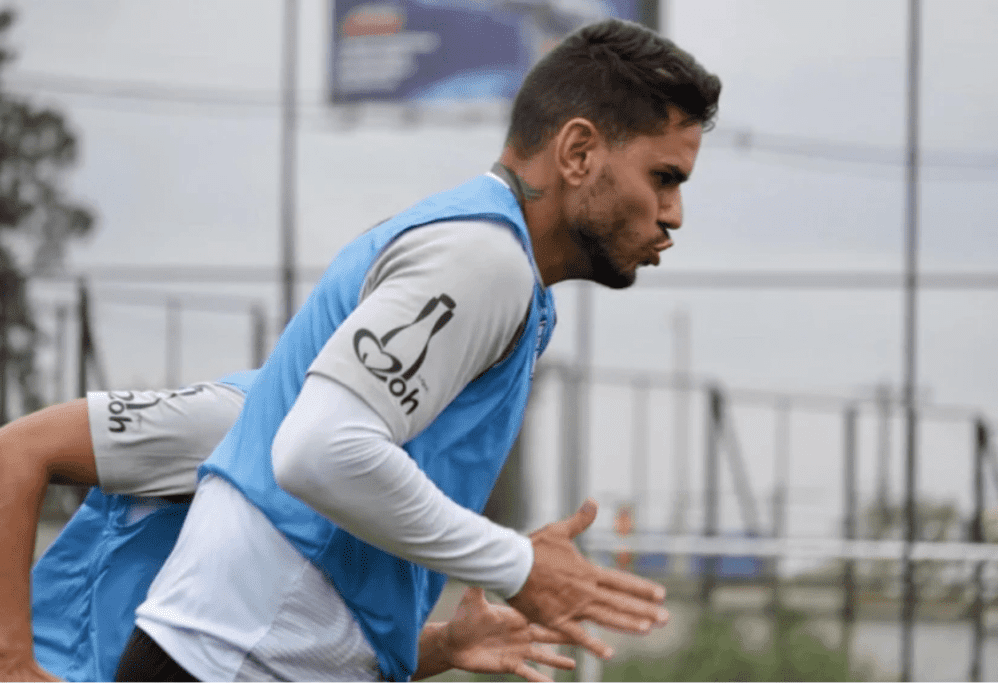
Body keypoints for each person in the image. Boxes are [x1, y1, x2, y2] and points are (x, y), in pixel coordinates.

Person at [132, 17, 719, 681]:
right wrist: (517, 564)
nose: (673, 214)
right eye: (664, 177)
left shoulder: (495, 262)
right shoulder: (482, 259)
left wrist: (425, 648)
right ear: (578, 152)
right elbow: (319, 452)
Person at [0, 374, 576, 682]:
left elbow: (286, 653)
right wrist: (9, 664)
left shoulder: (391, 479)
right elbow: (15, 451)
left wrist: (447, 645)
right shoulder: (244, 416)